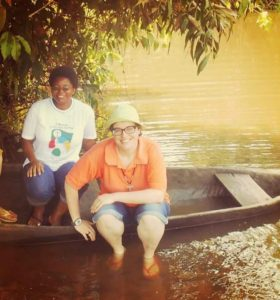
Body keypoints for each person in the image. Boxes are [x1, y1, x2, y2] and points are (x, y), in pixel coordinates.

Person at [65, 104, 170, 279]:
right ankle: (118, 250)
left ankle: (148, 256)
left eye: (130, 128)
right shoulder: (100, 151)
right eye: (117, 130)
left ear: (139, 130)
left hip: (147, 203)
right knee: (104, 220)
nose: (124, 135)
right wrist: (76, 221)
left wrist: (113, 196)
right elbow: (70, 182)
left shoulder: (152, 149)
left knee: (151, 221)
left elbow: (158, 194)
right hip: (115, 205)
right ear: (112, 132)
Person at [22, 66, 97, 226]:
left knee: (80, 178)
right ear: (50, 88)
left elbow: (89, 143)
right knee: (39, 184)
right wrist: (34, 161)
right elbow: (26, 141)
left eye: (66, 88)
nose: (60, 93)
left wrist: (98, 165)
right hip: (40, 162)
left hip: (67, 164)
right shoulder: (38, 109)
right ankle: (38, 213)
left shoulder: (85, 111)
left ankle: (56, 215)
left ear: (74, 89)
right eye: (55, 88)